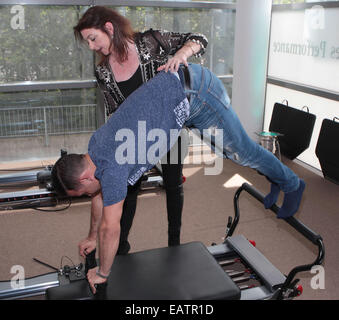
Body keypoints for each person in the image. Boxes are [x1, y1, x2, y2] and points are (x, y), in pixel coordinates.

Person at [52, 63, 305, 293]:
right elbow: (99, 196)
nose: (89, 196)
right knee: (235, 153)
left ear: (85, 177)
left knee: (242, 153)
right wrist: (89, 236)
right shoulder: (95, 147)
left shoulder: (113, 168)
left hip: (198, 94)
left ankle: (292, 184)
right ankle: (276, 179)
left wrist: (103, 273)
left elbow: (110, 228)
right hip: (182, 94)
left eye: (83, 193)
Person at [73, 6, 208, 255]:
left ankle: (174, 245)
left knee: (173, 185)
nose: (91, 47)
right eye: (87, 42)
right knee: (127, 189)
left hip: (169, 131)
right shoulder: (103, 71)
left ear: (109, 28)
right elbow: (115, 111)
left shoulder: (150, 41)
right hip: (134, 139)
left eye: (93, 38)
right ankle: (120, 248)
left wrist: (181, 55)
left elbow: (199, 38)